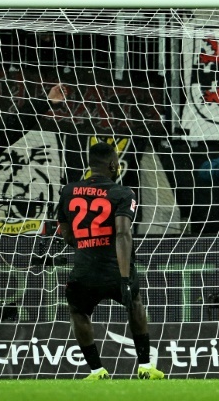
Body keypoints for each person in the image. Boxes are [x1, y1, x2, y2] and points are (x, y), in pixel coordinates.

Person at [57, 142, 164, 380]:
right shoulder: (123, 193)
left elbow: (65, 233)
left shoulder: (68, 191)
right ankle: (145, 367)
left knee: (78, 312)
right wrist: (125, 278)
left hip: (84, 269)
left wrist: (86, 244)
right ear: (114, 164)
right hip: (115, 268)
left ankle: (96, 371)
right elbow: (123, 234)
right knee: (134, 304)